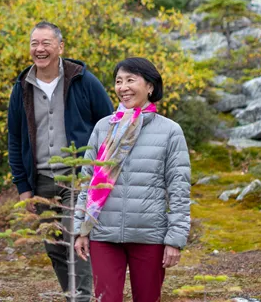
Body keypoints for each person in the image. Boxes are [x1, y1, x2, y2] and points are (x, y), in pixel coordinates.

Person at [6, 21, 114, 301]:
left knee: (74, 239)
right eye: (34, 44)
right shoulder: (22, 87)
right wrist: (23, 187)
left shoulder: (83, 80)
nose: (39, 49)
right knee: (53, 245)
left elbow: (109, 123)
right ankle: (73, 295)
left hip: (78, 177)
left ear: (60, 47)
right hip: (41, 179)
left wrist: (101, 173)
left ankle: (83, 297)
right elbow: (15, 140)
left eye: (46, 43)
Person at [72, 57, 191, 302]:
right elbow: (88, 182)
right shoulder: (103, 127)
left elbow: (179, 189)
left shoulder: (170, 131)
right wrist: (80, 230)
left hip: (149, 235)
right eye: (118, 81)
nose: (123, 87)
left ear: (150, 86)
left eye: (130, 80)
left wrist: (175, 240)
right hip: (103, 233)